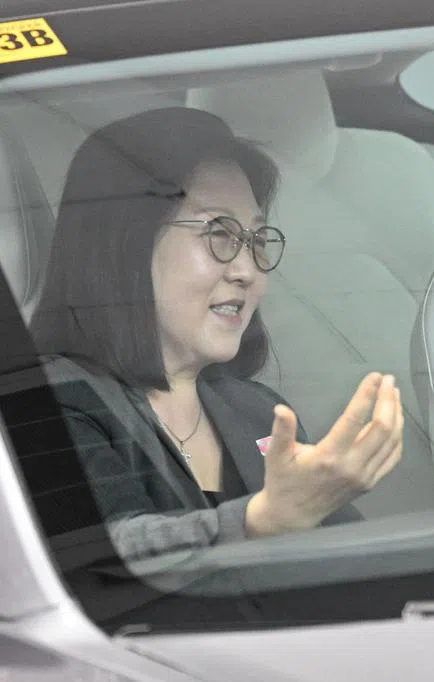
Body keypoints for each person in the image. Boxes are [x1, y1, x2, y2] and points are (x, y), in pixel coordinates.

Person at [31, 107, 403, 561]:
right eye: (219, 233)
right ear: (126, 241)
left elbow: (362, 566)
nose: (247, 270)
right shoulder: (49, 402)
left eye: (257, 241)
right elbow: (103, 559)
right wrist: (264, 522)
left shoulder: (260, 413)